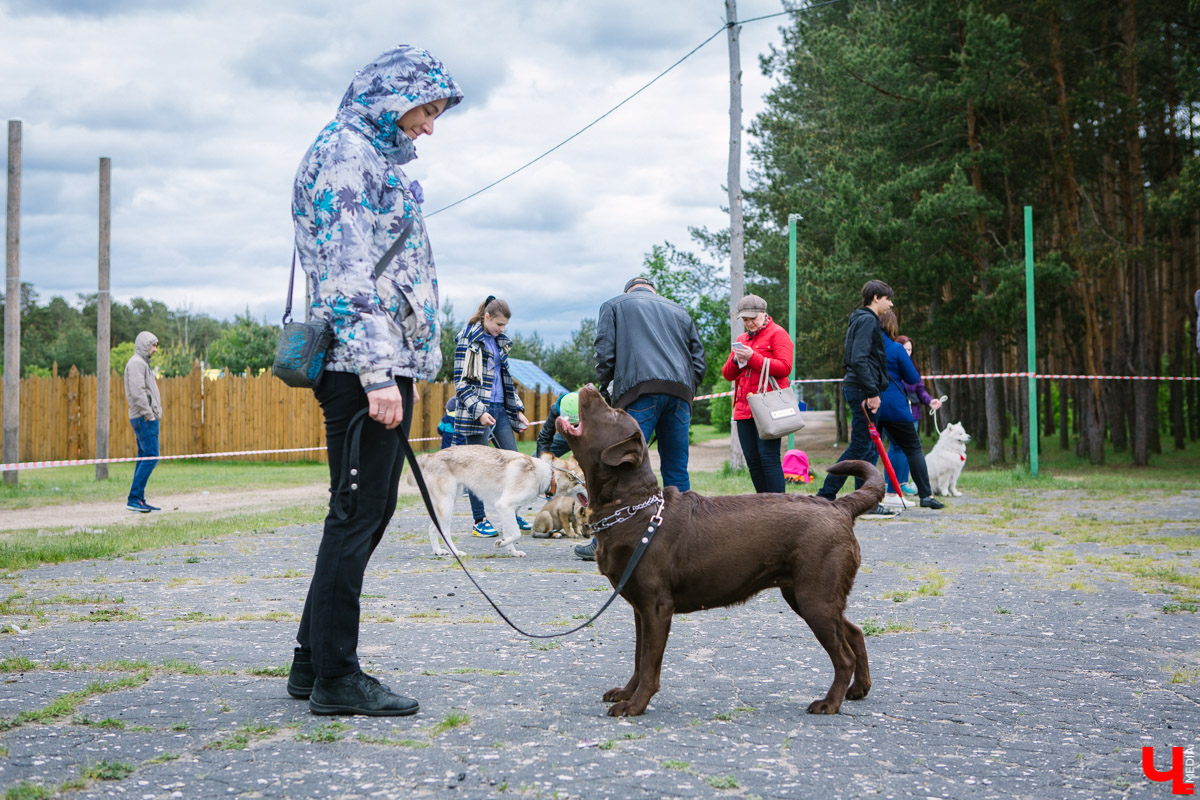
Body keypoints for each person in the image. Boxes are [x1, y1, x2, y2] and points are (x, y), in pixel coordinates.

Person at [287, 45, 463, 717]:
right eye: (426, 110)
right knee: (358, 516)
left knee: (360, 512)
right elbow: (347, 276)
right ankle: (337, 675)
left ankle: (312, 660)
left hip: (376, 363)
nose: (429, 125)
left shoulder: (363, 153)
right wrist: (377, 374)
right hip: (366, 370)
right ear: (394, 98)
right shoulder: (346, 156)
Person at [578, 276, 705, 560]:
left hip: (639, 391)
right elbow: (698, 360)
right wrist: (686, 389)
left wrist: (606, 390)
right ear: (653, 290)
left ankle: (610, 540)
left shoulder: (613, 305)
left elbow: (604, 352)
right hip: (679, 394)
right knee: (676, 467)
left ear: (629, 290)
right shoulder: (679, 311)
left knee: (621, 467)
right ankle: (685, 539)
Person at [814, 280, 944, 515]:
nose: (891, 304)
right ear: (876, 297)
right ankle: (826, 495)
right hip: (864, 391)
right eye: (888, 299)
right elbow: (858, 359)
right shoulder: (867, 320)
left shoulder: (862, 319)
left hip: (861, 388)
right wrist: (873, 393)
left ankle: (859, 500)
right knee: (860, 447)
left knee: (863, 448)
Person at [453, 296, 532, 537]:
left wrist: (517, 408)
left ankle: (512, 514)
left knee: (514, 463)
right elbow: (460, 383)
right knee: (478, 469)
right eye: (498, 324)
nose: (501, 329)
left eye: (505, 326)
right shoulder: (468, 340)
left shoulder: (500, 342)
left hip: (500, 410)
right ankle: (480, 521)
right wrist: (479, 412)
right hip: (477, 413)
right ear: (486, 317)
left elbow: (505, 380)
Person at [721, 294, 794, 493]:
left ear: (764, 313)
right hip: (744, 408)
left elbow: (785, 368)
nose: (749, 323)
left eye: (753, 318)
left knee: (768, 458)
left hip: (767, 407)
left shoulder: (777, 333)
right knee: (753, 461)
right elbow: (727, 374)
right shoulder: (741, 339)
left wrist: (753, 357)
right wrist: (736, 360)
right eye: (745, 320)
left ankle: (779, 508)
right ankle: (763, 507)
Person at [885, 333, 940, 494]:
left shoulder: (913, 368)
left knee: (909, 449)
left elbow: (920, 390)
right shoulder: (891, 367)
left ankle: (903, 483)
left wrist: (930, 401)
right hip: (895, 412)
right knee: (896, 447)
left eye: (910, 350)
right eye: (905, 349)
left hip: (912, 414)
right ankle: (891, 484)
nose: (907, 353)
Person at [124, 331, 162, 513]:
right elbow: (138, 392)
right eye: (152, 345)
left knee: (145, 457)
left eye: (155, 345)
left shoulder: (142, 364)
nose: (154, 349)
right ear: (144, 345)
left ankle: (137, 499)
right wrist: (150, 415)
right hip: (144, 418)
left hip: (143, 417)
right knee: (152, 457)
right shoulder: (137, 363)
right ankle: (134, 498)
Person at [536, 390, 579, 459]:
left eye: (574, 424)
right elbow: (545, 437)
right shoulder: (555, 410)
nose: (572, 426)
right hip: (565, 436)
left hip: (589, 438)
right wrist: (541, 461)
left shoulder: (595, 410)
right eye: (570, 423)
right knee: (537, 458)